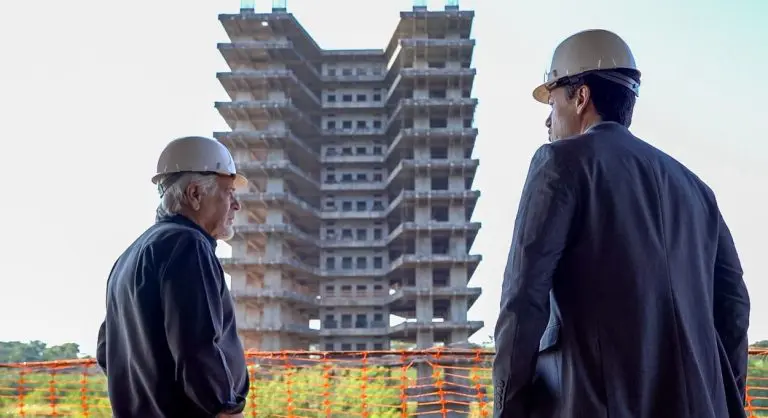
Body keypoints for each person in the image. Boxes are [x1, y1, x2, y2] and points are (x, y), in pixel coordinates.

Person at [492, 29, 750, 418]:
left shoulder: (560, 163)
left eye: (554, 102)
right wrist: (722, 400)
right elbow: (734, 307)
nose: (548, 120)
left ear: (581, 97)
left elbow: (523, 298)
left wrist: (507, 409)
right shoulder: (697, 189)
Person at [96, 136, 251, 418]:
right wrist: (224, 409)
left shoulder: (129, 256)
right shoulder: (188, 244)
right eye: (229, 192)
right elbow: (197, 347)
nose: (236, 205)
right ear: (195, 194)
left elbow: (107, 351)